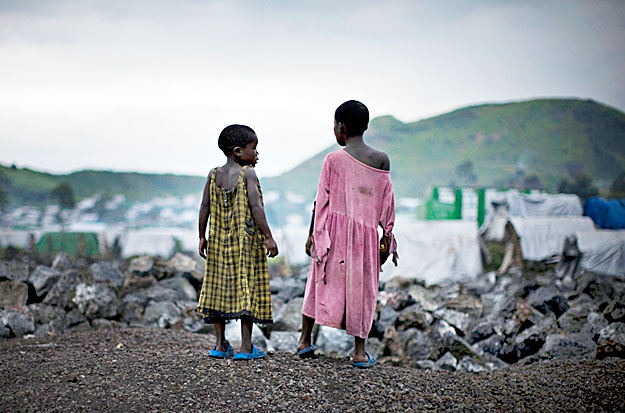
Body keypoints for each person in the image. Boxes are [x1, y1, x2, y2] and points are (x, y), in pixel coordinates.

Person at [298, 100, 398, 368]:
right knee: (364, 289)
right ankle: (359, 352)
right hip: (365, 238)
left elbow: (321, 202)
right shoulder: (381, 159)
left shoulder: (333, 159)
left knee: (319, 280)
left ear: (341, 128)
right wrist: (387, 236)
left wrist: (313, 234)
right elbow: (386, 201)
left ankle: (305, 340)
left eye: (334, 125)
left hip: (333, 233)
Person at [196, 124, 278, 360]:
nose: (257, 154)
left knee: (217, 288)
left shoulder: (213, 175)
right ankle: (245, 347)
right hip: (244, 244)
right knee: (246, 289)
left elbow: (204, 207)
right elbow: (256, 207)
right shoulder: (248, 174)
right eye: (254, 148)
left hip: (219, 243)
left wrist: (202, 236)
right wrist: (268, 237)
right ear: (238, 151)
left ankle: (220, 345)